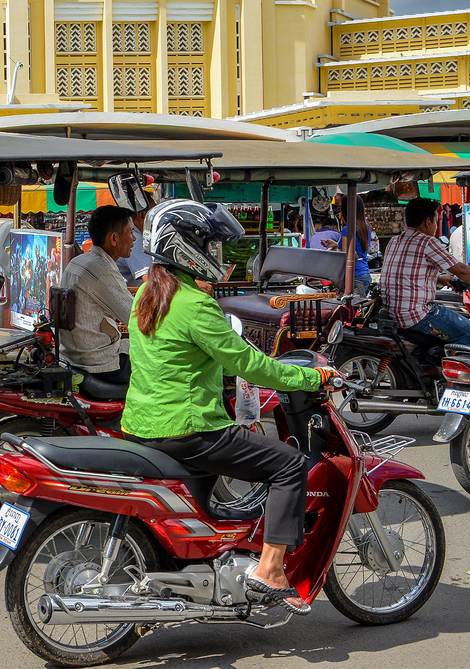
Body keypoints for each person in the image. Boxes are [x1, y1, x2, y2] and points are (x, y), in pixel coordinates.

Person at [123, 199, 336, 613]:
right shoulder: (194, 304)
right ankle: (271, 570)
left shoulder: (148, 296)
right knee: (290, 465)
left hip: (143, 425)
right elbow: (250, 364)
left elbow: (181, 359)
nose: (214, 254)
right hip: (188, 429)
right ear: (185, 246)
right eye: (207, 244)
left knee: (212, 503)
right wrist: (312, 377)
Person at [382, 198, 470, 345]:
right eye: (436, 221)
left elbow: (404, 274)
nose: (436, 226)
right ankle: (452, 366)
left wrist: (439, 279)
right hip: (415, 315)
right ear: (428, 221)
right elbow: (461, 270)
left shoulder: (394, 241)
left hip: (391, 313)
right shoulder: (427, 242)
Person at [60, 205, 138, 387]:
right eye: (131, 232)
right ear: (113, 238)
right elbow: (135, 317)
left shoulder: (79, 261)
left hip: (74, 355)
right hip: (100, 364)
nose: (134, 239)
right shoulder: (102, 270)